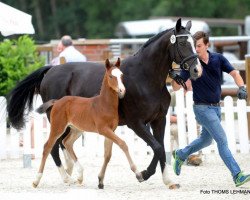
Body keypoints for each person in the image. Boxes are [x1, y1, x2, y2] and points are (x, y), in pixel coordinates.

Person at [170, 31, 249, 187]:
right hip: (201, 108)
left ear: (207, 45)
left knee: (206, 140)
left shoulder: (218, 59)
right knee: (222, 140)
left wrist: (242, 87)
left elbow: (234, 73)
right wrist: (175, 77)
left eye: (199, 46)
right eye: (195, 46)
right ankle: (237, 175)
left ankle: (180, 154)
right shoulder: (192, 64)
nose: (197, 49)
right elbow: (177, 88)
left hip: (216, 108)